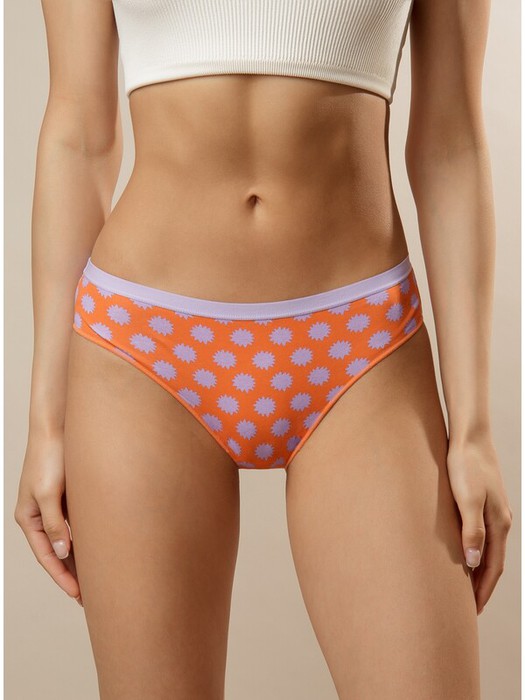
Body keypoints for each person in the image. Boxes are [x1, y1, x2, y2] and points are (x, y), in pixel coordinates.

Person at [14, 0, 513, 697]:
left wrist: (474, 430)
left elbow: (450, 142)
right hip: (143, 345)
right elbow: (78, 135)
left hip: (361, 342)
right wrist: (45, 422)